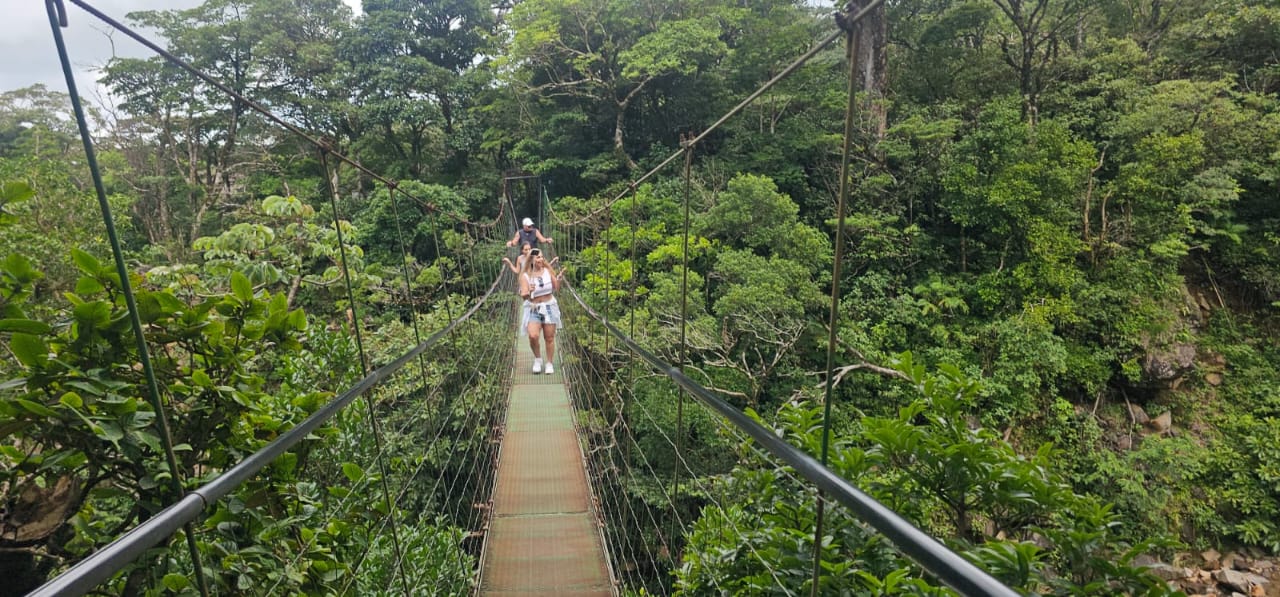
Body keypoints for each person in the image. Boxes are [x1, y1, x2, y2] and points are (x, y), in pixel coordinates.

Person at [519, 248, 563, 374]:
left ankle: (549, 363)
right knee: (533, 335)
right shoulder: (525, 276)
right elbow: (524, 296)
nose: (541, 259)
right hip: (534, 308)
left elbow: (556, 288)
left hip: (549, 306)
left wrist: (559, 279)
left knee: (549, 337)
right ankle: (538, 359)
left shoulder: (548, 271)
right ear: (531, 260)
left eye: (542, 257)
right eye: (538, 257)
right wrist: (529, 291)